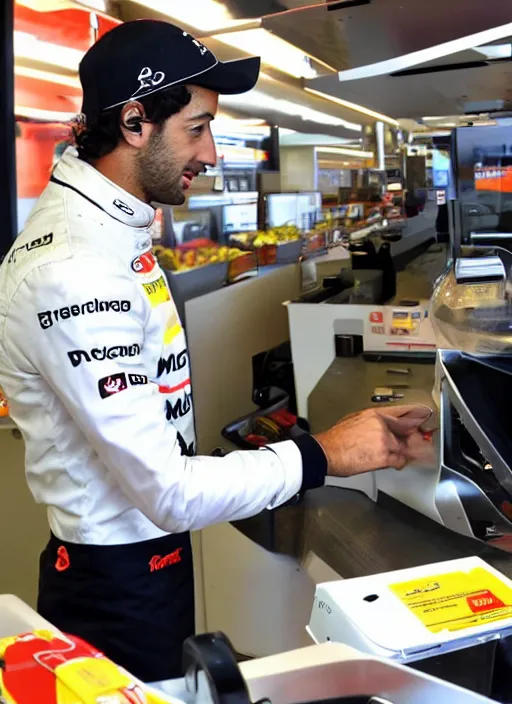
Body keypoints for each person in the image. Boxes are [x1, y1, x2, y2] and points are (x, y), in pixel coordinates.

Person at [0, 19, 432, 686]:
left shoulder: (117, 234)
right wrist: (326, 454)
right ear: (136, 122)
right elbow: (167, 491)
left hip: (145, 562)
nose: (213, 152)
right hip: (114, 585)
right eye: (197, 128)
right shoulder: (74, 267)